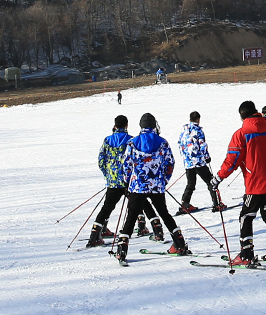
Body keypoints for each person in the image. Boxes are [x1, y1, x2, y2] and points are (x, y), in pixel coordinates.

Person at [217, 101, 266, 266]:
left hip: (257, 183)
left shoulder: (242, 133)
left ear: (242, 116)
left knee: (246, 216)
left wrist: (218, 177)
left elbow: (232, 160)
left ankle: (246, 254)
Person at [115, 113, 193, 262]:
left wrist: (127, 182)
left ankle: (122, 249)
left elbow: (126, 165)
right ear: (153, 125)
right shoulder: (162, 142)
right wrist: (163, 180)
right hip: (157, 187)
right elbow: (170, 163)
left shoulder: (132, 143)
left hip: (138, 186)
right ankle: (179, 243)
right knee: (164, 214)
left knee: (131, 217)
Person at [88, 115, 163, 247]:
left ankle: (95, 235)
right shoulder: (131, 140)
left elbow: (101, 160)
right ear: (127, 125)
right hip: (129, 181)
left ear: (115, 126)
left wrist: (108, 175)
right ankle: (155, 229)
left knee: (107, 208)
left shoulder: (107, 140)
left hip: (113, 181)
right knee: (142, 203)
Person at [178, 111, 225, 214]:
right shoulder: (198, 130)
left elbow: (180, 143)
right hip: (198, 162)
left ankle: (185, 204)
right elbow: (202, 144)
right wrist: (207, 157)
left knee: (190, 184)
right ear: (198, 119)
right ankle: (216, 203)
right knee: (210, 181)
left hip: (188, 163)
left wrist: (185, 157)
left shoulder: (184, 130)